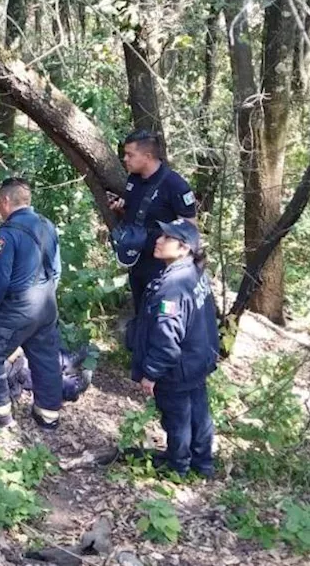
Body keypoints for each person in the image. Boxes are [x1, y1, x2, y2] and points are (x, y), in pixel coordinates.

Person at [0, 178, 64, 430]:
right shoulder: (47, 224)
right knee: (45, 357)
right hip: (47, 302)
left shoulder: (8, 232)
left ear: (6, 201)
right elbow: (56, 269)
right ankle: (48, 414)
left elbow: (0, 280)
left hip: (20, 305)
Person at [129, 218, 219, 479]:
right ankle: (203, 464)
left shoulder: (172, 288)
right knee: (198, 414)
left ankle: (178, 468)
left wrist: (151, 372)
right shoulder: (194, 272)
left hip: (177, 367)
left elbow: (167, 338)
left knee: (177, 419)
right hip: (197, 359)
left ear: (183, 249)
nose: (158, 240)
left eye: (167, 238)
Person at [107, 130, 198, 315]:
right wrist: (120, 209)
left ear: (147, 156)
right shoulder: (133, 179)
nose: (125, 159)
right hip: (137, 258)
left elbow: (191, 230)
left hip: (161, 265)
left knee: (161, 316)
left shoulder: (175, 185)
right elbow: (137, 214)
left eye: (130, 155)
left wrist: (183, 269)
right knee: (141, 310)